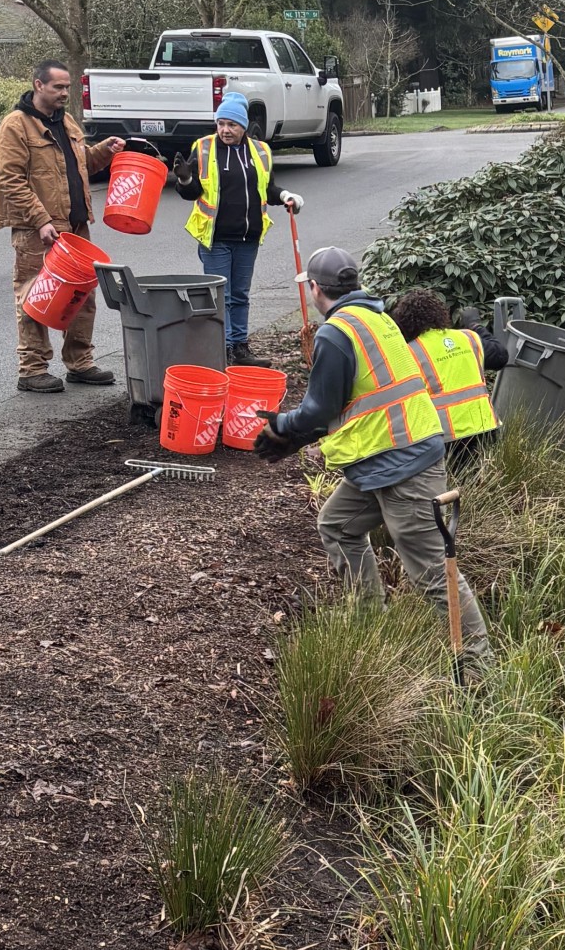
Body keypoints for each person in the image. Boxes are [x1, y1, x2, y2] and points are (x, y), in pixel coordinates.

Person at [252, 247, 492, 668]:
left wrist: (284, 427)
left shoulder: (335, 333)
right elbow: (359, 400)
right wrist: (301, 436)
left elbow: (320, 408)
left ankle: (478, 667)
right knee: (337, 525)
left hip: (403, 464)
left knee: (432, 571)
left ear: (313, 289)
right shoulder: (377, 319)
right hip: (386, 457)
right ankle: (369, 622)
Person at [0, 59, 121, 396]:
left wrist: (103, 152)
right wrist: (40, 220)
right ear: (39, 85)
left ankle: (80, 363)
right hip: (39, 229)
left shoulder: (66, 121)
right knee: (38, 295)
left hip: (76, 226)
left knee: (82, 295)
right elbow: (10, 180)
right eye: (59, 87)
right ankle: (32, 369)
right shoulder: (16, 126)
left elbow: (80, 166)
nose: (66, 93)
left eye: (68, 87)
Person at [174, 93, 302, 364]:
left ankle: (240, 347)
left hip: (248, 237)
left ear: (243, 126)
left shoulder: (261, 151)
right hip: (215, 237)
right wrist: (185, 179)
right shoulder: (204, 147)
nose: (225, 130)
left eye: (231, 124)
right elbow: (192, 192)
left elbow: (267, 188)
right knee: (222, 295)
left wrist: (285, 196)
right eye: (220, 123)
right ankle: (224, 348)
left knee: (241, 295)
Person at [388, 288, 506, 471]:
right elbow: (500, 357)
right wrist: (475, 325)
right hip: (485, 431)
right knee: (484, 487)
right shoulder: (469, 338)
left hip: (446, 439)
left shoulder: (410, 352)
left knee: (453, 492)